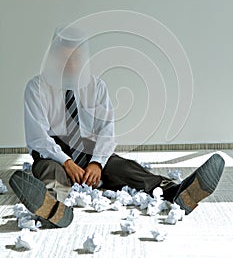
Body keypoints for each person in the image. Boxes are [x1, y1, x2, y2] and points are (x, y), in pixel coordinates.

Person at [9, 25, 225, 228]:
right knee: (51, 172)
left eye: (76, 58)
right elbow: (38, 137)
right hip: (53, 154)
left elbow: (106, 131)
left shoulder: (96, 87)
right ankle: (53, 209)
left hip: (87, 151)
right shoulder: (36, 88)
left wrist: (96, 164)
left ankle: (175, 192)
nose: (71, 65)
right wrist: (66, 162)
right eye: (65, 58)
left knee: (121, 168)